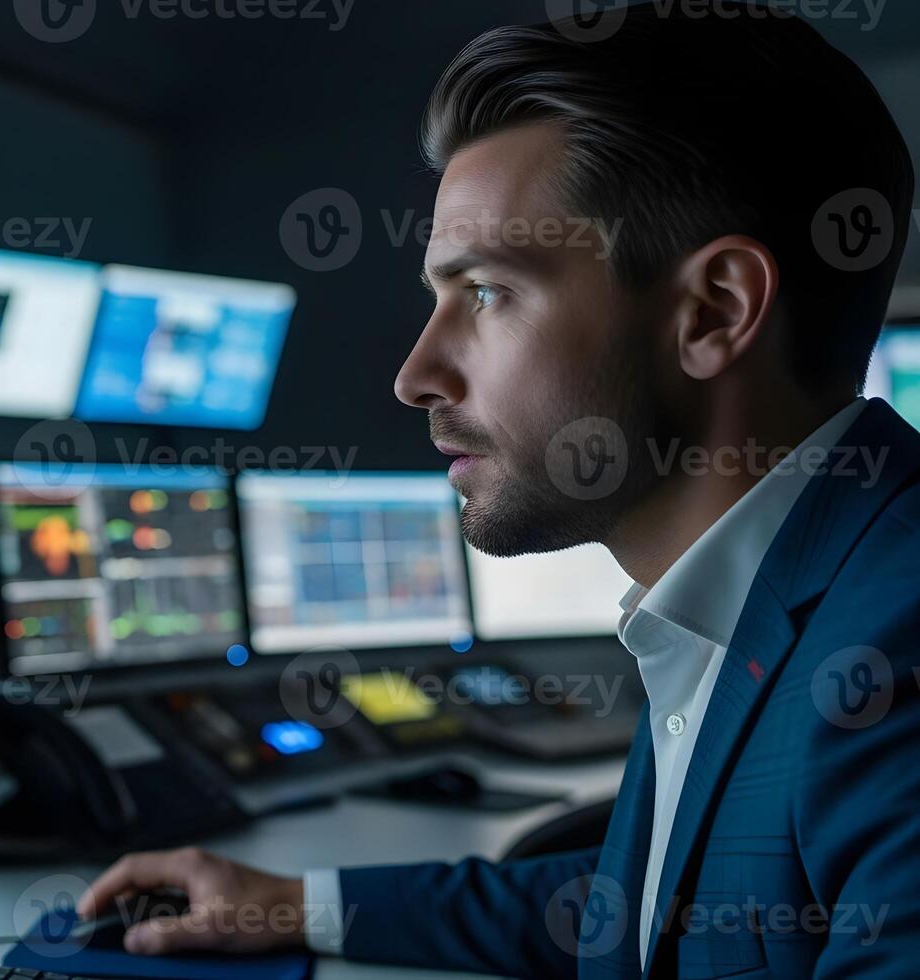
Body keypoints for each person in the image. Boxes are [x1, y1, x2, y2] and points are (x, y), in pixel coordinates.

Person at [79, 2, 919, 976]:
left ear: (712, 311)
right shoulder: (758, 597)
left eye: (483, 293)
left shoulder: (890, 654)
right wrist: (297, 904)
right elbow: (663, 903)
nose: (415, 375)